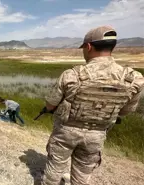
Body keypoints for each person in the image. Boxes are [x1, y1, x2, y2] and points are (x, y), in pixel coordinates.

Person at [41, 25, 144, 185]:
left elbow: (50, 105)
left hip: (65, 133)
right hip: (97, 135)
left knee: (54, 170)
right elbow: (124, 112)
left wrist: (52, 109)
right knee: (82, 176)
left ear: (88, 47)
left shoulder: (72, 75)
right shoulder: (133, 79)